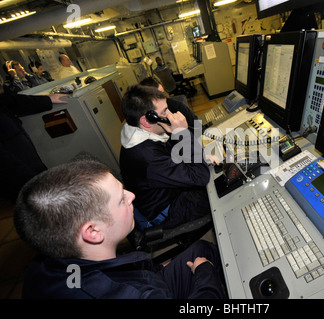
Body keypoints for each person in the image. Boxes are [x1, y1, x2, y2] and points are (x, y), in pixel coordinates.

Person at [14, 159, 226, 299]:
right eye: (121, 199)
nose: (131, 195)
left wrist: (157, 270)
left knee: (202, 249)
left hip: (146, 278)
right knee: (209, 266)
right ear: (93, 232)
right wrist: (204, 273)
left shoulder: (46, 263)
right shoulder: (129, 294)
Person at [120, 85, 216, 230]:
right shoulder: (146, 156)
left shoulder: (139, 132)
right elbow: (200, 177)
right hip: (168, 210)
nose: (171, 114)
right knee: (218, 189)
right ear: (148, 121)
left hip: (168, 193)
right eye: (165, 111)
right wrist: (181, 132)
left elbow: (172, 157)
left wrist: (199, 156)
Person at [0, 93, 68, 202]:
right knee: (32, 190)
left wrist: (46, 100)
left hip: (13, 139)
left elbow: (9, 100)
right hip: (11, 148)